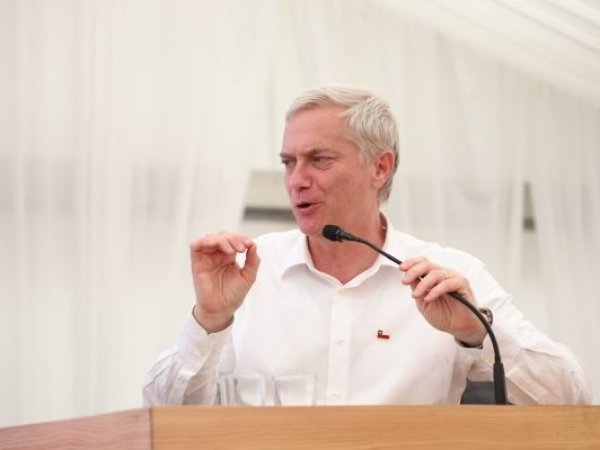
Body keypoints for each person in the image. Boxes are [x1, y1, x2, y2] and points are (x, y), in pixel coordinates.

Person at [143, 85, 591, 406]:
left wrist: (477, 333)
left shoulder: (449, 275)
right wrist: (209, 321)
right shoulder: (248, 273)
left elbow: (571, 398)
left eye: (318, 160)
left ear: (380, 167)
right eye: (288, 162)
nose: (297, 180)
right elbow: (161, 416)